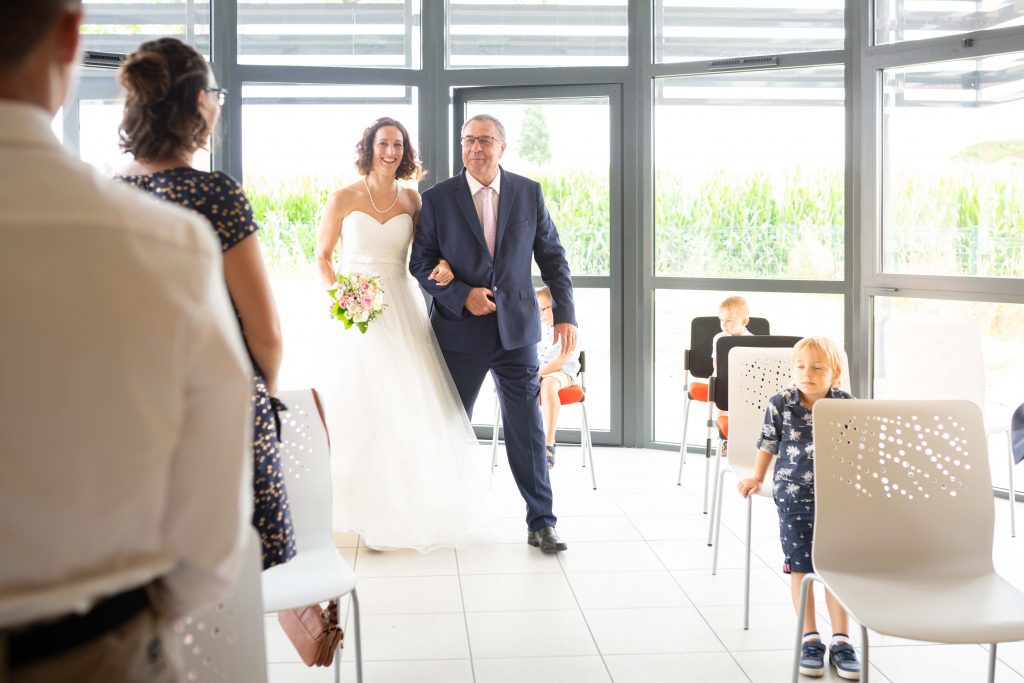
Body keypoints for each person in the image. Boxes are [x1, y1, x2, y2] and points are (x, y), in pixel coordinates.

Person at [0, 4, 253, 681]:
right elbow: (207, 535)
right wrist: (135, 612)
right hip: (87, 650)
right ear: (67, 33)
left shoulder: (136, 199)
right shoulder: (166, 239)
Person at [114, 37, 296, 570]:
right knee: (232, 576)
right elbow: (265, 333)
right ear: (199, 102)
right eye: (216, 92)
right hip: (216, 410)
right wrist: (266, 391)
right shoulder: (213, 194)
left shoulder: (108, 190)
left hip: (134, 411)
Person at [315, 117, 488, 551]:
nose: (390, 151)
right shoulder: (343, 197)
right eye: (382, 143)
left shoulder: (413, 200)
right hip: (355, 308)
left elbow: (429, 251)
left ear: (404, 151)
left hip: (400, 303)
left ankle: (398, 509)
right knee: (356, 403)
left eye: (397, 144)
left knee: (404, 403)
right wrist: (344, 298)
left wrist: (445, 266)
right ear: (369, 147)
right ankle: (348, 511)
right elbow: (322, 258)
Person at [410, 114, 577, 554]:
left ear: (502, 147)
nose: (476, 148)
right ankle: (437, 514)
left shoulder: (528, 192)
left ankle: (541, 522)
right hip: (458, 333)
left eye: (485, 140)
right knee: (448, 424)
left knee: (527, 428)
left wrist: (566, 314)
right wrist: (461, 295)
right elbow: (420, 262)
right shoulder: (438, 198)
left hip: (516, 333)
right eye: (468, 140)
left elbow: (553, 257)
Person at [736, 337, 861, 681]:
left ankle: (841, 640)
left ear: (834, 373)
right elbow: (768, 442)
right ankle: (810, 638)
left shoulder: (846, 404)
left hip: (836, 499)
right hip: (793, 498)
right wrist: (757, 477)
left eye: (818, 367)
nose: (807, 373)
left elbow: (854, 453)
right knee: (801, 568)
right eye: (801, 366)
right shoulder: (781, 403)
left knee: (835, 567)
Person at [535, 285, 582, 469]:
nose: (540, 314)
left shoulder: (569, 329)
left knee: (548, 384)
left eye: (543, 309)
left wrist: (533, 375)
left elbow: (558, 363)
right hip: (538, 371)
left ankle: (549, 442)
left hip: (562, 373)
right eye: (538, 309)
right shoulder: (538, 327)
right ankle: (527, 443)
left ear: (556, 308)